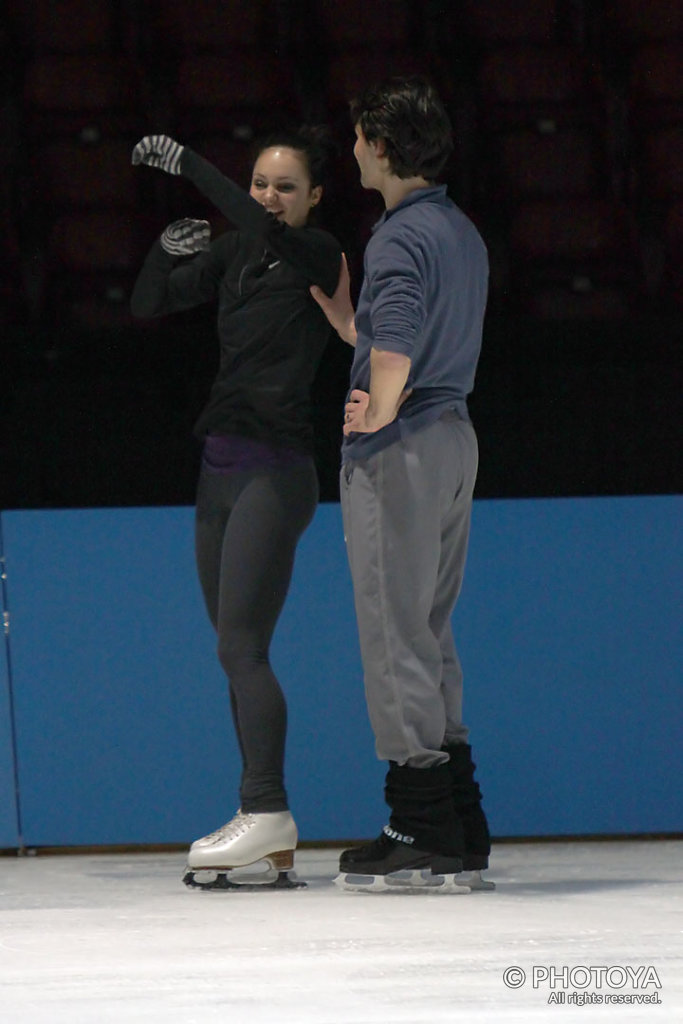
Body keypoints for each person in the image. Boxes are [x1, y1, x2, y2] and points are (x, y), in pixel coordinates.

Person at [130, 130, 343, 890]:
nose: (267, 197)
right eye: (259, 182)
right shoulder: (236, 255)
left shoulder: (318, 253)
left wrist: (189, 166)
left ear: (314, 197)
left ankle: (268, 809)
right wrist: (162, 249)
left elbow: (263, 229)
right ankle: (261, 823)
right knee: (231, 646)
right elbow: (148, 302)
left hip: (276, 470)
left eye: (285, 185)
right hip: (218, 464)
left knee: (241, 648)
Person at [310, 76, 494, 894]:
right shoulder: (457, 229)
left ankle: (417, 817)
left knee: (393, 631)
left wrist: (373, 406)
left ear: (382, 148)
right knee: (429, 625)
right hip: (453, 437)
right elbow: (405, 328)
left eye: (357, 139)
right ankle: (457, 815)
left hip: (404, 442)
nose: (351, 150)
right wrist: (352, 323)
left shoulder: (395, 237)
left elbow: (397, 353)